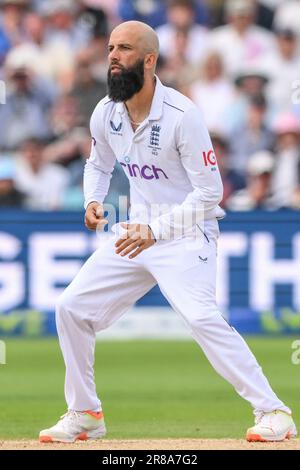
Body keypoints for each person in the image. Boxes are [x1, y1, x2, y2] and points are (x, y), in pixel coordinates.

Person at [39, 21, 297, 444]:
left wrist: (156, 231)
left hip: (187, 233)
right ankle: (85, 413)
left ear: (149, 59)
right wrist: (92, 199)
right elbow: (98, 164)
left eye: (124, 49)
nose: (113, 56)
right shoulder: (106, 111)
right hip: (135, 232)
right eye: (110, 48)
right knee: (71, 308)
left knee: (199, 317)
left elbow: (210, 193)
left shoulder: (182, 115)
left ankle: (274, 412)